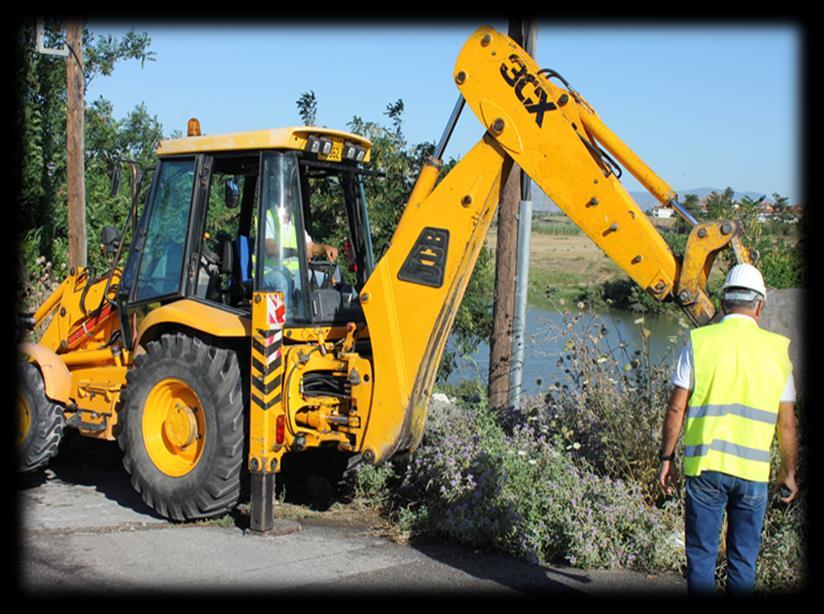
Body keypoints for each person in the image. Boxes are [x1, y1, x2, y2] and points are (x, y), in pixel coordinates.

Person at [658, 263, 798, 596]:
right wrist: (788, 472)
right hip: (752, 474)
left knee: (702, 559)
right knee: (742, 561)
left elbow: (677, 406)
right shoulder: (778, 352)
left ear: (722, 303)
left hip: (706, 469)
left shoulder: (700, 342)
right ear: (759, 306)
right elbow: (787, 422)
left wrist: (666, 457)